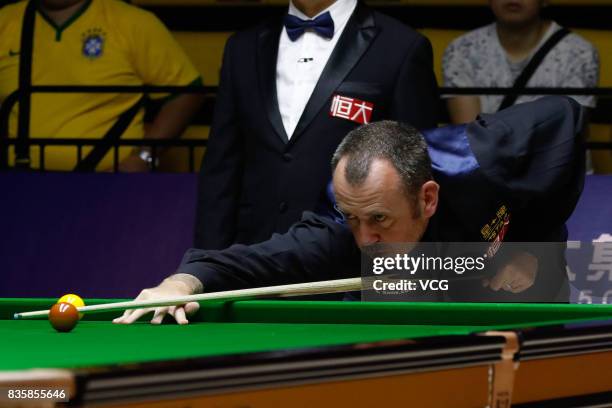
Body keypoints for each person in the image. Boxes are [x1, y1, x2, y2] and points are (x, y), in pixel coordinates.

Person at [114, 96, 585, 325]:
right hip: (429, 291)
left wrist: (535, 246)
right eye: (353, 217)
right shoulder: (343, 228)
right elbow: (264, 260)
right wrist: (184, 280)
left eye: (380, 219)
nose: (365, 239)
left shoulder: (482, 159)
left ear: (427, 197)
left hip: (517, 277)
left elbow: (565, 117)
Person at [194, 0, 439, 250]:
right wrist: (207, 262)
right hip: (252, 251)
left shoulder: (401, 47)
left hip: (348, 255)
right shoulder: (242, 47)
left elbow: (416, 170)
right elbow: (221, 167)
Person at [0, 0, 203, 171]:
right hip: (20, 185)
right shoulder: (5, 21)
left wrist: (143, 157)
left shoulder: (131, 22)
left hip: (112, 188)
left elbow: (186, 91)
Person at [442, 0, 599, 124]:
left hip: (557, 164)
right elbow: (471, 138)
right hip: (487, 163)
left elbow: (567, 133)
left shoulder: (578, 51)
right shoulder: (462, 50)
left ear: (544, 0)